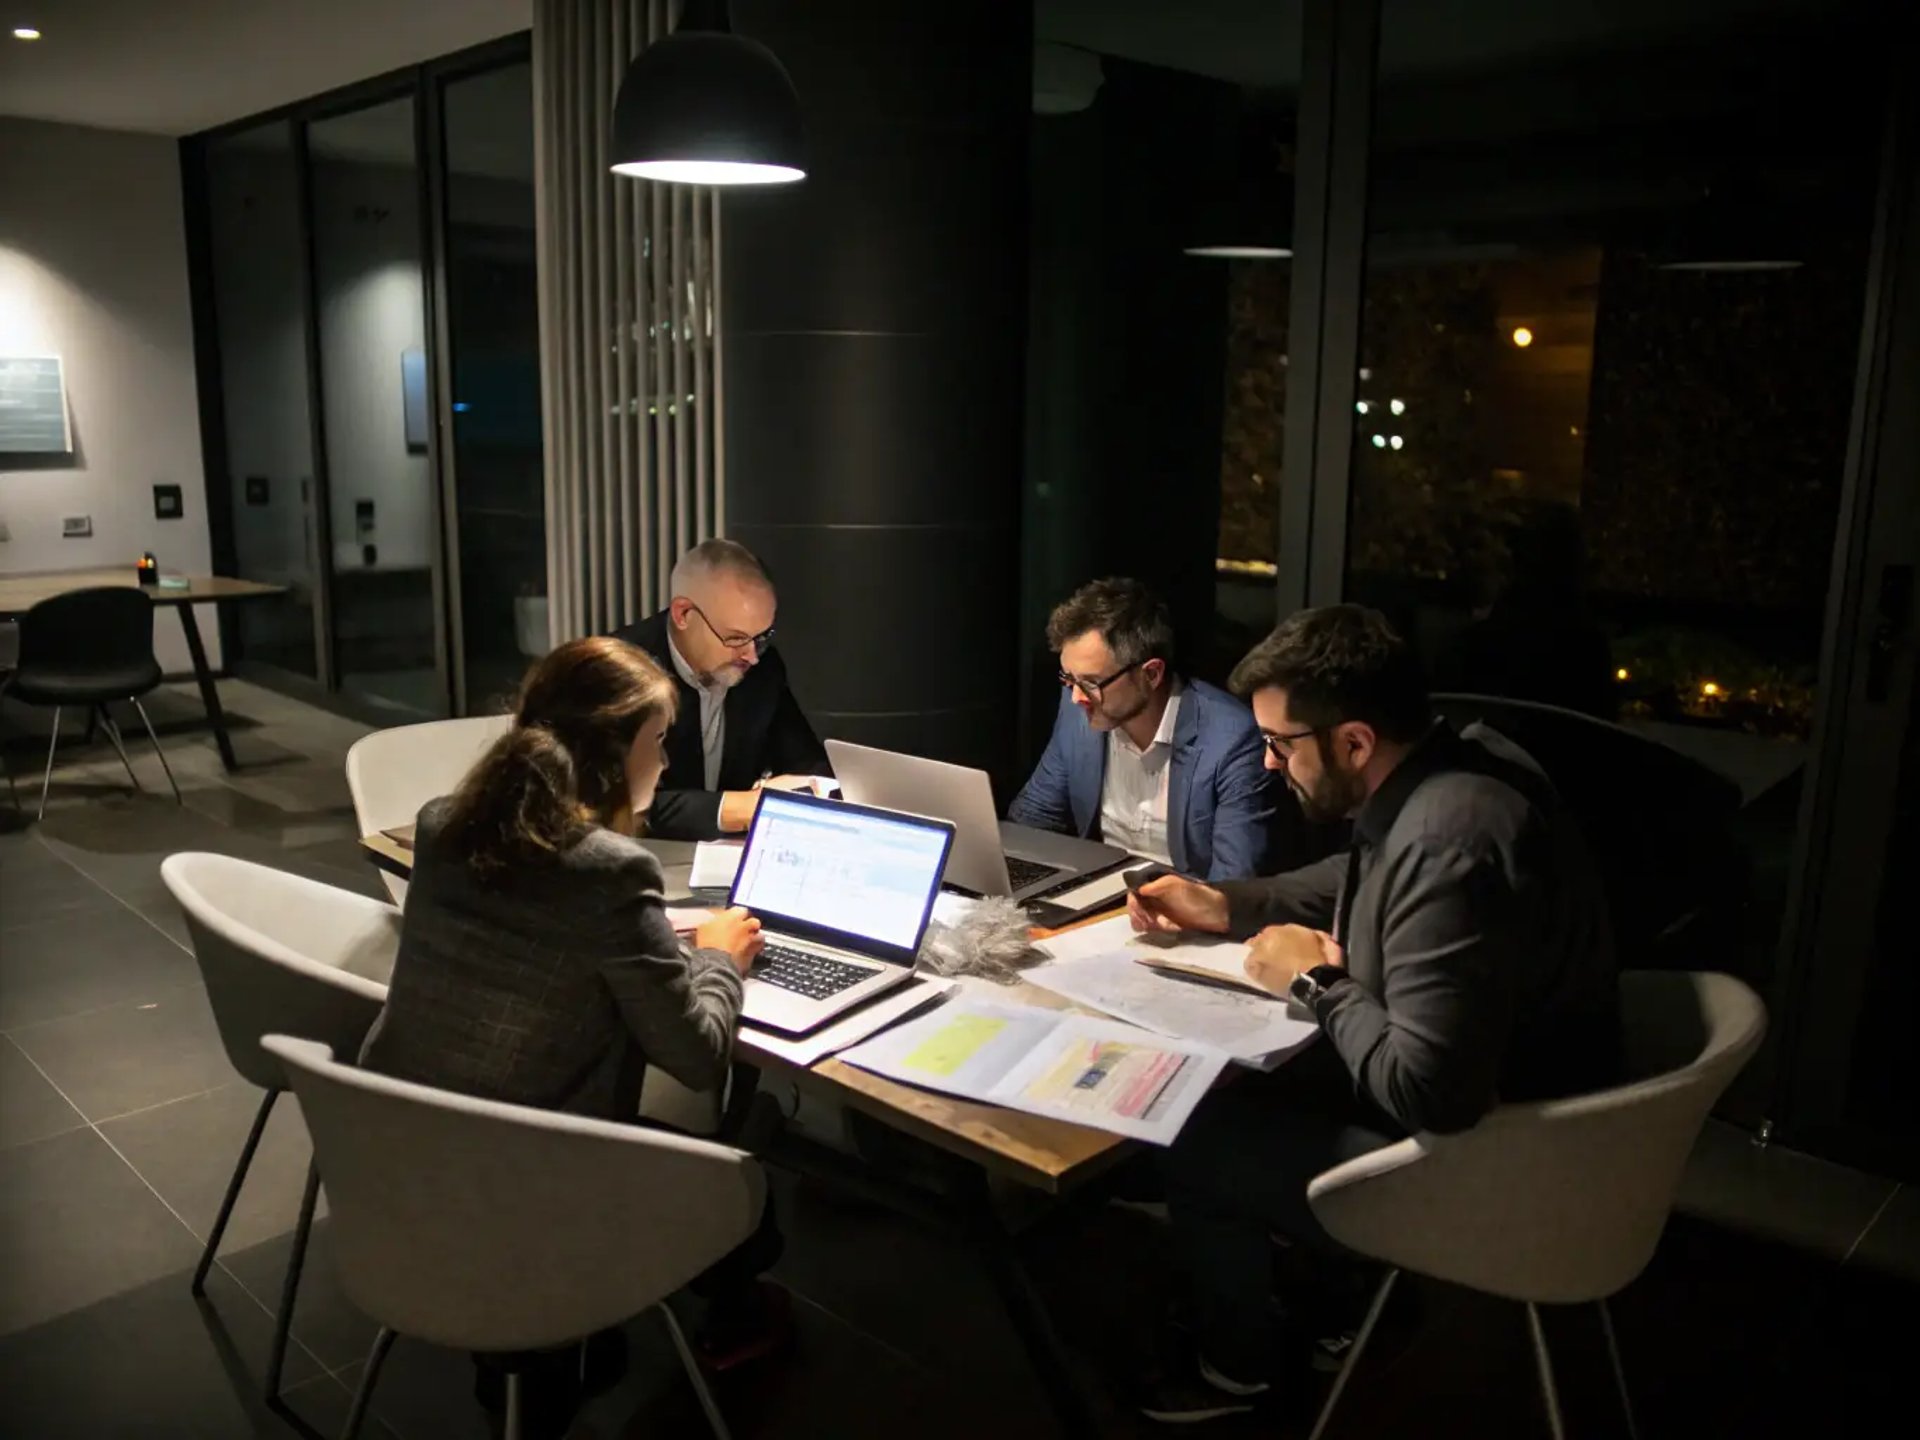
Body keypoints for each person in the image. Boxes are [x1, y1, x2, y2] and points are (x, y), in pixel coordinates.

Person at [1126, 604, 1620, 1424]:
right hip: (1531, 1097)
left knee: (1192, 1131)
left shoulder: (1445, 841)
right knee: (1242, 1090)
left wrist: (1315, 985)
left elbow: (1432, 1095)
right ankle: (1339, 1305)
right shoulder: (1458, 764)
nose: (1272, 764)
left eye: (1282, 745)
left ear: (1353, 741)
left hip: (1497, 1162)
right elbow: (1358, 873)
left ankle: (1237, 1370)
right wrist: (1227, 903)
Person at [358, 636, 785, 1435]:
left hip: (394, 1162)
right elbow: (694, 1056)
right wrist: (721, 960)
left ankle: (545, 1364)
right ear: (613, 750)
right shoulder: (609, 870)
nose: (667, 758)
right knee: (746, 1136)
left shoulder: (444, 823)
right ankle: (738, 1319)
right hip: (537, 1195)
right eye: (660, 739)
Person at [1009, 577, 1284, 882]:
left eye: (1090, 682)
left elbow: (1235, 883)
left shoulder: (1231, 740)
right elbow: (1033, 820)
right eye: (1069, 679)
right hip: (1097, 899)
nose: (1076, 696)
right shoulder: (1079, 710)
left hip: (1186, 914)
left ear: (1151, 674)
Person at [609, 538, 829, 840]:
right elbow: (614, 801)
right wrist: (738, 807)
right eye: (736, 638)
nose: (751, 654)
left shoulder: (762, 667)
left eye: (762, 636)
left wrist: (811, 787)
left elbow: (806, 761)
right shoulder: (622, 669)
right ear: (683, 614)